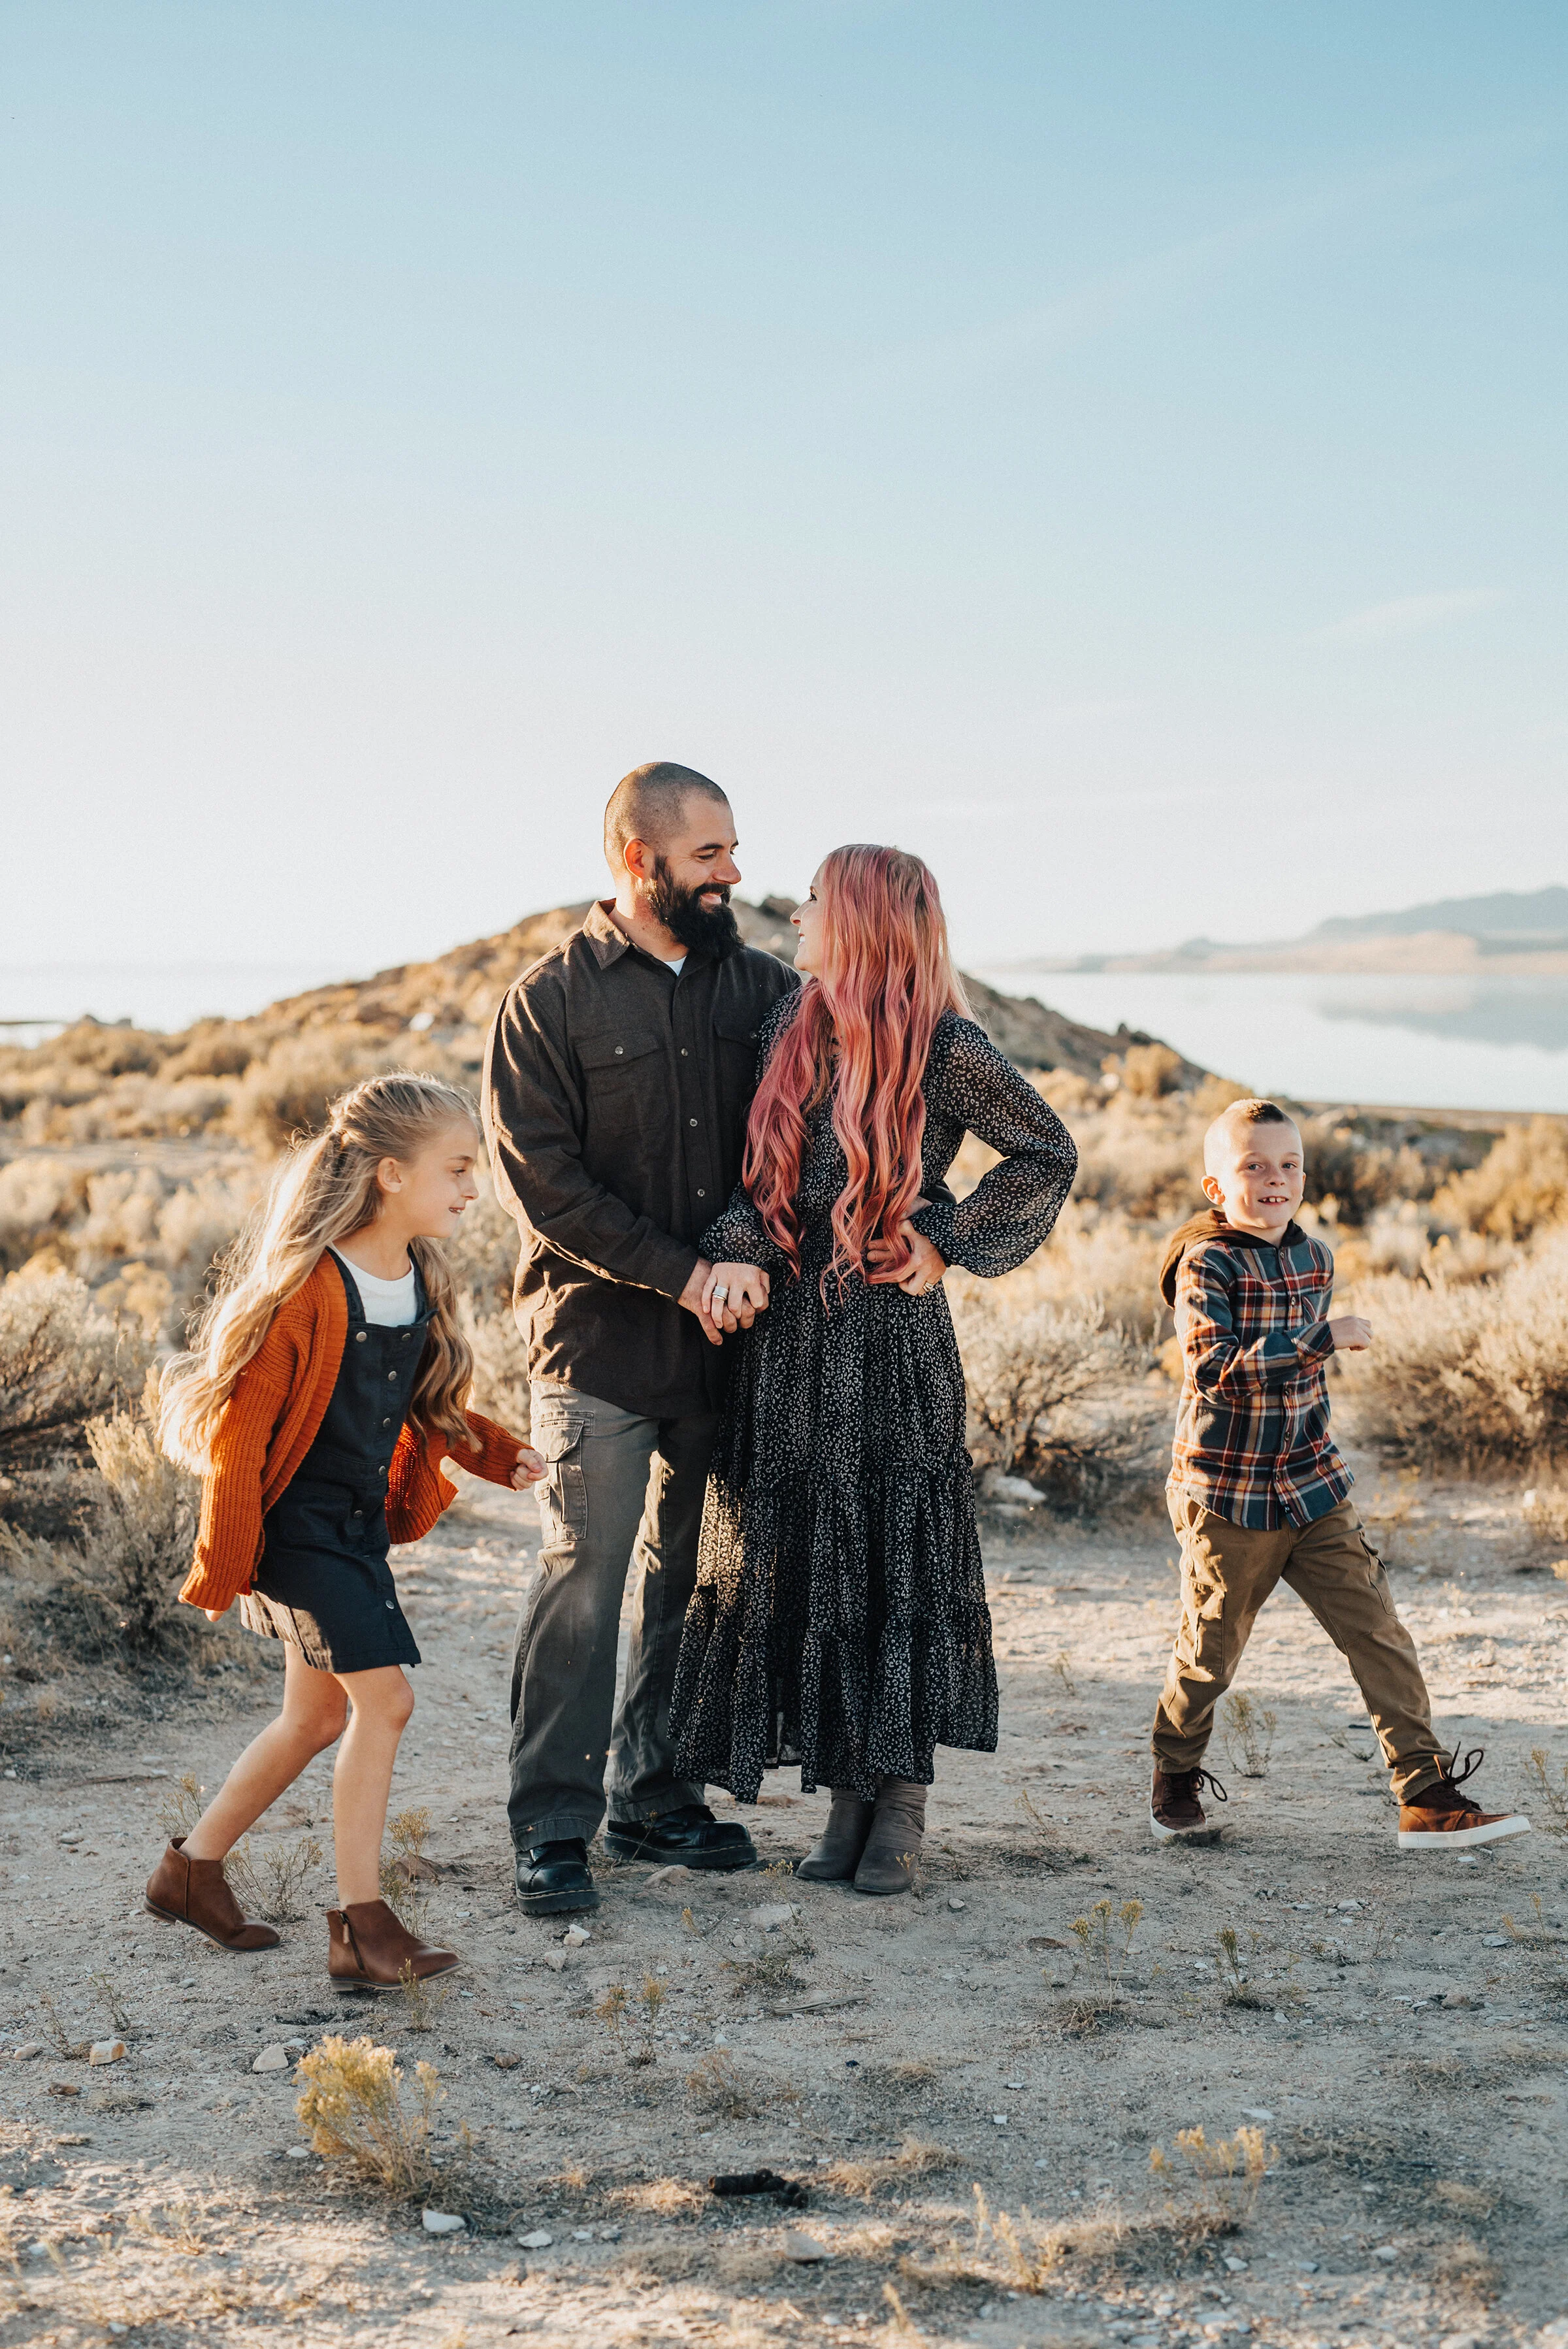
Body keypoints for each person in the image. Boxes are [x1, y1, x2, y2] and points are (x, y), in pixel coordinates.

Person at [668, 843, 1077, 1896]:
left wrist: (947, 1236)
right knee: (806, 1551)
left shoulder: (947, 1043)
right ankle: (845, 1791)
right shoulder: (787, 1027)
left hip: (891, 1339)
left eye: (811, 899)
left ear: (855, 917)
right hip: (791, 1342)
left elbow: (1047, 1150)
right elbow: (763, 1186)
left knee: (891, 1551)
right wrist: (734, 1258)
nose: (794, 913)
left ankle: (899, 1796)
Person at [483, 761, 802, 1915]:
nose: (731, 875)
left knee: (698, 1579)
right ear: (638, 860)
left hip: (733, 1347)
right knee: (585, 1575)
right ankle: (553, 1825)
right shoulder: (549, 1002)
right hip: (597, 1346)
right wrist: (688, 1274)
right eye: (709, 855)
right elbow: (547, 1191)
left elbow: (808, 1147)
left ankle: (656, 1795)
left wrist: (754, 1268)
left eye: (732, 851)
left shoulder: (765, 989)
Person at [150, 1074, 543, 1986]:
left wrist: (498, 1454)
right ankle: (362, 1928)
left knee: (315, 1713)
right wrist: (223, 1564)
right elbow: (240, 1438)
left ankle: (189, 1871)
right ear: (389, 1174)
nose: (471, 1187)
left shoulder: (417, 1278)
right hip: (298, 1533)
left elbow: (428, 1406)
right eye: (456, 1168)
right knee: (387, 1702)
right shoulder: (306, 1290)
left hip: (354, 1528)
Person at [1151, 1096, 1530, 1852]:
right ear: (1216, 1187)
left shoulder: (1316, 1256)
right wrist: (1318, 1336)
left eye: (1289, 1164)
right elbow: (1214, 1370)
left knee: (1379, 1633)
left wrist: (1314, 1360)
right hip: (1228, 1495)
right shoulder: (1207, 1262)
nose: (1275, 1178)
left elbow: (1304, 1382)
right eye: (1253, 1165)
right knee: (1210, 1652)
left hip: (1313, 1486)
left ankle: (1424, 1796)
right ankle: (1175, 1771)